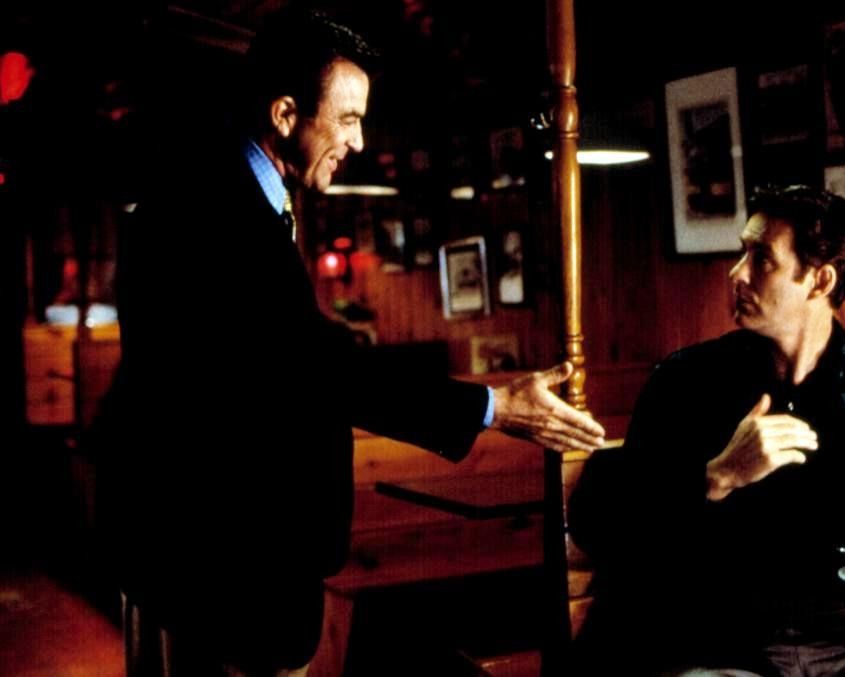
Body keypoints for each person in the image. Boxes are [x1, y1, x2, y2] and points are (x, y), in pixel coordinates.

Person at [96, 8, 606, 677]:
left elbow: (284, 358)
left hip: (200, 558)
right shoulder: (217, 210)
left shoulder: (220, 192)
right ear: (286, 114)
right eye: (347, 119)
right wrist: (494, 406)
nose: (358, 141)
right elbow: (316, 368)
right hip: (222, 568)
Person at [569, 185, 845, 675]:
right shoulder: (688, 380)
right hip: (723, 646)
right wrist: (716, 477)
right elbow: (596, 521)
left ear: (819, 281)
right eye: (743, 253)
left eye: (762, 259)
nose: (736, 273)